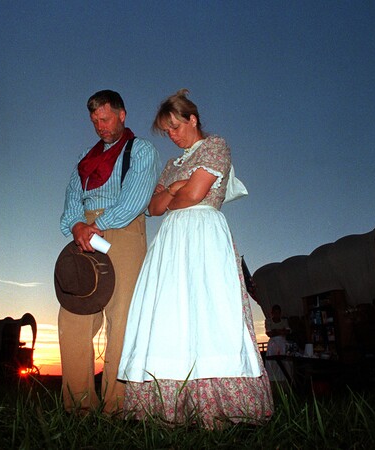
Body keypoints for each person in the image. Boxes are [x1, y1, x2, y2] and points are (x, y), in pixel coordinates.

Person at [117, 89, 273, 428]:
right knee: (169, 315)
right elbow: (153, 208)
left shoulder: (216, 146)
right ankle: (168, 409)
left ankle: (221, 410)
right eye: (167, 131)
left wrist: (177, 191)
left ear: (193, 119)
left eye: (175, 127)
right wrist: (176, 188)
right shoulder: (172, 164)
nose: (172, 136)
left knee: (209, 312)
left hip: (203, 235)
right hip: (171, 241)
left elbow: (197, 193)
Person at [58, 89, 160, 415]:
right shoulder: (83, 160)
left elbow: (135, 197)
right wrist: (77, 226)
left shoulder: (141, 150)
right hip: (86, 233)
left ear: (122, 114)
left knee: (122, 318)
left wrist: (97, 225)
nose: (100, 126)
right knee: (73, 314)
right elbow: (73, 199)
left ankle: (118, 408)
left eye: (105, 118)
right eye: (94, 121)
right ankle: (79, 407)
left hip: (123, 228)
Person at [265, 304, 293, 388]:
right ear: (272, 313)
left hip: (283, 343)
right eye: (275, 312)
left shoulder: (284, 321)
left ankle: (285, 381)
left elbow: (288, 331)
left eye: (278, 312)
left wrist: (275, 331)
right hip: (273, 344)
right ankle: (273, 382)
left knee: (284, 362)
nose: (277, 314)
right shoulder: (268, 321)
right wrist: (281, 331)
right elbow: (269, 333)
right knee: (273, 362)